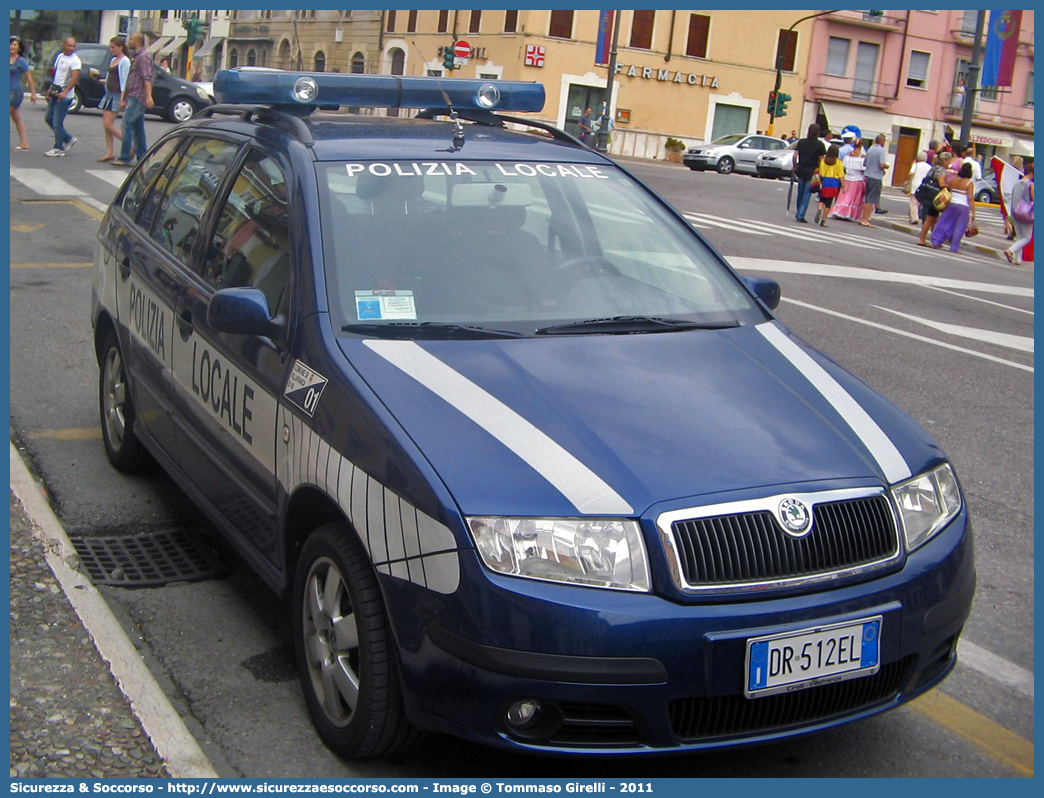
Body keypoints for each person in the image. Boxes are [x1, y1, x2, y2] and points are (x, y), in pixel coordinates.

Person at [113, 32, 153, 167]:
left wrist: (148, 96)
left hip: (138, 96)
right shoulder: (136, 57)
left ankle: (125, 156)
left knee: (126, 124)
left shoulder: (142, 57)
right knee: (138, 127)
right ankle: (142, 156)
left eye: (130, 39)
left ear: (136, 42)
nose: (128, 41)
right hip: (134, 95)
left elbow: (146, 77)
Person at [43, 37, 80, 157]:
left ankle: (59, 148)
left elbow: (74, 78)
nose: (71, 48)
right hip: (55, 92)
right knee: (49, 118)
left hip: (65, 96)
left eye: (73, 46)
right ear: (64, 45)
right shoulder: (60, 56)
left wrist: (65, 92)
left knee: (57, 122)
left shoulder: (75, 60)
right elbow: (57, 74)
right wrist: (50, 89)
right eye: (69, 45)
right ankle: (68, 138)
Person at [98, 36, 129, 162]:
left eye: (113, 47)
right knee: (106, 125)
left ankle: (128, 143)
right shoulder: (113, 60)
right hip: (109, 93)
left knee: (108, 124)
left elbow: (124, 81)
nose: (111, 50)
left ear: (120, 47)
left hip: (117, 94)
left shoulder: (125, 61)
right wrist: (102, 81)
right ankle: (109, 152)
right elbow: (111, 77)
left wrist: (123, 99)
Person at [931, 162, 976, 252]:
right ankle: (954, 247)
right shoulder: (969, 183)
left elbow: (949, 189)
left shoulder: (954, 180)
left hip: (951, 204)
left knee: (944, 223)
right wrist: (973, 211)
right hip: (963, 206)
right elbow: (970, 197)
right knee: (959, 227)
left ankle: (937, 241)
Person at [917, 151, 953, 246]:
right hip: (935, 196)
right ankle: (923, 239)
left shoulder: (933, 168)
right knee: (930, 219)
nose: (950, 162)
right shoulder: (941, 170)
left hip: (928, 194)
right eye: (949, 160)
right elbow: (941, 183)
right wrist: (948, 187)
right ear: (945, 161)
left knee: (934, 219)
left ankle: (935, 239)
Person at [792, 123, 826, 223]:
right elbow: (821, 160)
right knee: (807, 193)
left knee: (800, 192)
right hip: (812, 171)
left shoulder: (801, 142)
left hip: (801, 169)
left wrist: (795, 166)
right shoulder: (820, 145)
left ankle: (798, 211)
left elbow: (795, 155)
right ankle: (801, 214)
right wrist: (820, 171)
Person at [10, 36, 37, 152]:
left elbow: (29, 78)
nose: (12, 47)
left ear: (19, 47)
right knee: (17, 118)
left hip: (14, 92)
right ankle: (25, 143)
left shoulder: (21, 61)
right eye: (10, 44)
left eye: (15, 45)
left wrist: (33, 93)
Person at [830, 138, 866, 222]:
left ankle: (839, 210)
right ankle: (849, 213)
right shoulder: (862, 157)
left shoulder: (848, 156)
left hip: (847, 178)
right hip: (857, 179)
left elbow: (844, 168)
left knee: (844, 196)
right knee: (854, 198)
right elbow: (863, 169)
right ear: (861, 146)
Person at [1005, 160, 1034, 265]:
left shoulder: (1017, 183)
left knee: (1019, 236)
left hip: (1015, 211)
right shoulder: (1031, 185)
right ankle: (1010, 250)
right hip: (1026, 213)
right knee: (1027, 237)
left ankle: (1018, 259)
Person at [860, 133, 890, 225]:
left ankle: (863, 218)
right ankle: (865, 220)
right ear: (882, 141)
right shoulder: (881, 151)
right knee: (871, 199)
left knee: (867, 198)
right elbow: (882, 164)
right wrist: (887, 166)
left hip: (868, 175)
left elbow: (864, 163)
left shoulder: (870, 149)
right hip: (876, 177)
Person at [814, 144, 845, 227]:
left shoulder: (823, 161)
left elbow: (820, 172)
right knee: (829, 202)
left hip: (825, 181)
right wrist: (843, 186)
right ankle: (823, 220)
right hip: (834, 183)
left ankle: (819, 209)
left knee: (822, 199)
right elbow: (841, 175)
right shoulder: (838, 162)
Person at [907, 152, 932, 224]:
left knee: (913, 202)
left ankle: (914, 218)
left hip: (915, 185)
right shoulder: (929, 166)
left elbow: (910, 173)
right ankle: (923, 217)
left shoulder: (916, 165)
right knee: (921, 202)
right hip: (924, 186)